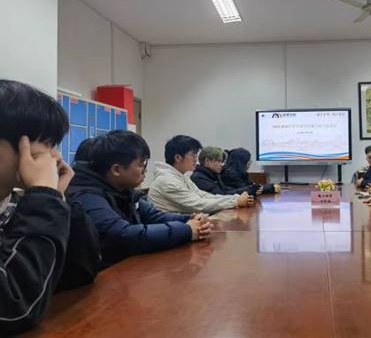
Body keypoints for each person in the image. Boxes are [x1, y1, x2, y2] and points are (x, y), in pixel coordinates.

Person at [66, 130, 212, 268]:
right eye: (141, 164)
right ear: (116, 170)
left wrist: (190, 219)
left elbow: (153, 215)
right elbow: (124, 235)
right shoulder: (86, 196)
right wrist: (187, 230)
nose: (145, 170)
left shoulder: (123, 190)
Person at [0, 80, 75, 335]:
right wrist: (44, 198)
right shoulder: (33, 202)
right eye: (43, 144)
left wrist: (56, 198)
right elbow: (15, 307)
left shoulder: (15, 202)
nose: (54, 157)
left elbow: (76, 274)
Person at [148, 136, 254, 215]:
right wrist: (235, 201)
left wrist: (235, 198)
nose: (196, 159)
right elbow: (199, 205)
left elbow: (202, 195)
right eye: (192, 155)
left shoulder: (180, 177)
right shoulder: (167, 181)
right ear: (178, 157)